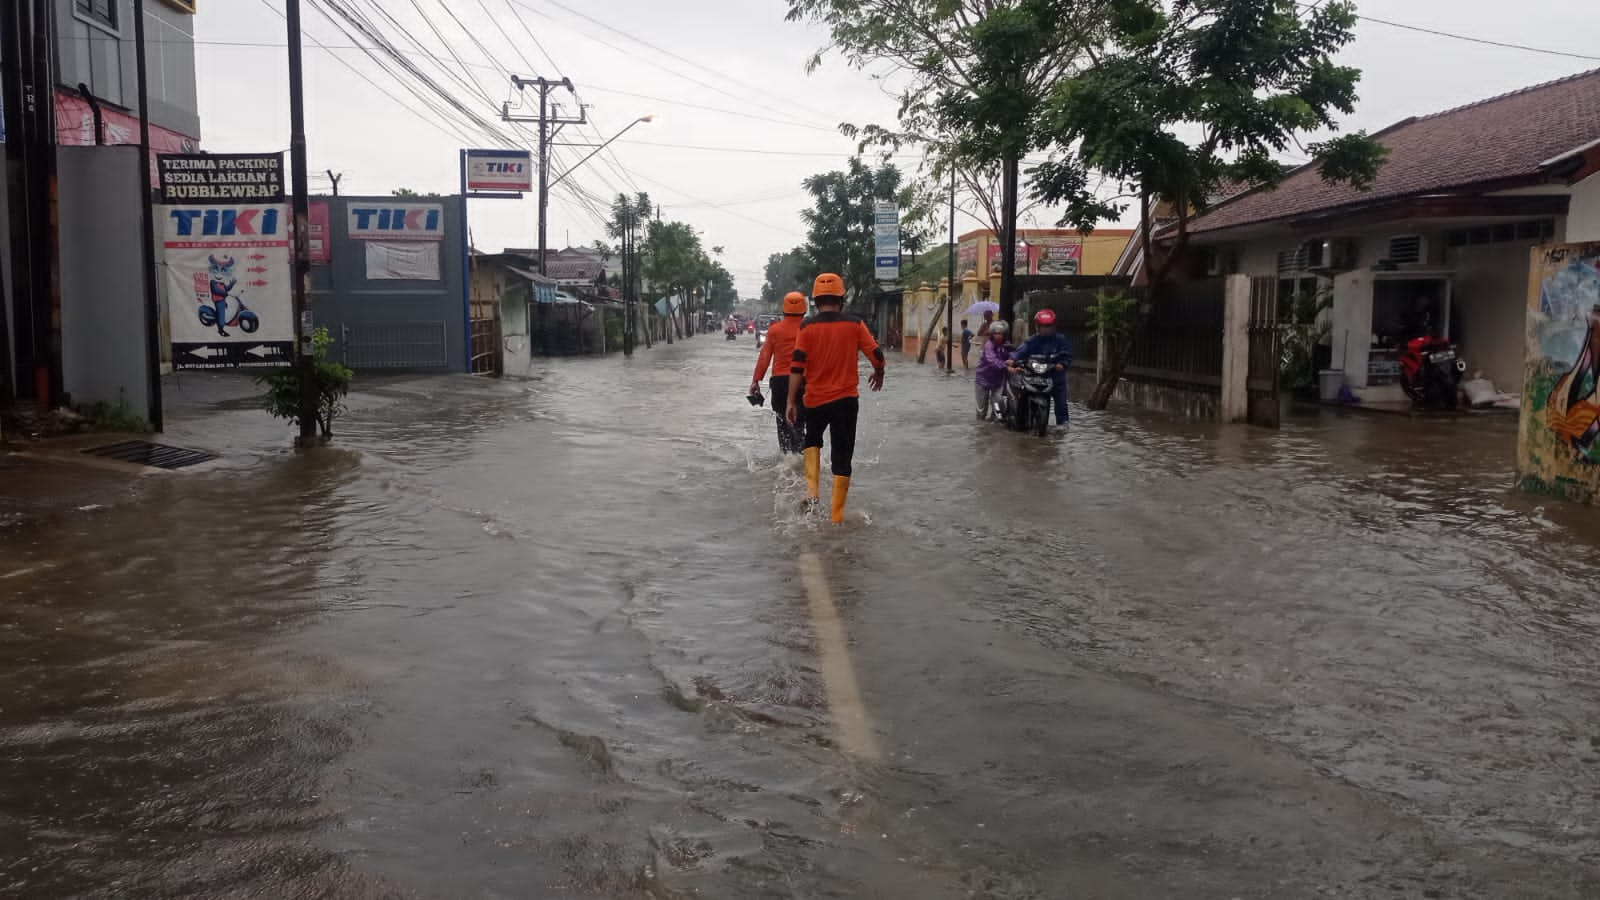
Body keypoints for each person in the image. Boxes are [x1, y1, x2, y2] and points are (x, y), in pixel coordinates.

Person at [786, 273, 886, 523]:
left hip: (815, 400)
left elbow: (797, 366)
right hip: (846, 402)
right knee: (843, 457)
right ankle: (836, 517)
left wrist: (790, 401)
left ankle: (812, 493)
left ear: (816, 300)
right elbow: (877, 355)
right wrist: (879, 372)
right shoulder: (855, 324)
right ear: (841, 299)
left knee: (812, 441)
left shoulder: (807, 327)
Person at [750, 292, 808, 454]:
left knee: (782, 420)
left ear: (784, 310)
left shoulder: (775, 330)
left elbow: (764, 357)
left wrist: (756, 380)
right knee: (800, 422)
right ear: (804, 310)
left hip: (779, 382)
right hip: (803, 381)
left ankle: (786, 458)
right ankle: (801, 459)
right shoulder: (809, 328)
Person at [1008, 309, 1072, 426]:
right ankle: (1020, 421)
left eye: (1048, 326)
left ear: (1053, 326)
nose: (1046, 329)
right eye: (1043, 326)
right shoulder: (1032, 341)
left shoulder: (1061, 340)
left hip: (1055, 378)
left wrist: (1062, 364)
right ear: (1037, 326)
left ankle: (1063, 426)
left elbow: (1067, 355)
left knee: (1061, 404)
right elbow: (1020, 351)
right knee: (1022, 393)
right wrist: (1013, 360)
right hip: (1035, 376)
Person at [974, 321, 1011, 419]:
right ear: (992, 334)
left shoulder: (1007, 346)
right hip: (983, 379)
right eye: (996, 333)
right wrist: (1006, 366)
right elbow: (992, 361)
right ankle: (981, 428)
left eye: (1001, 334)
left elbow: (1014, 355)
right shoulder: (988, 345)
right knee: (981, 411)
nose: (998, 336)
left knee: (998, 406)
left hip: (997, 381)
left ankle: (995, 423)